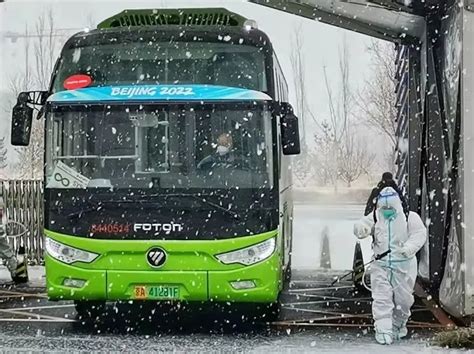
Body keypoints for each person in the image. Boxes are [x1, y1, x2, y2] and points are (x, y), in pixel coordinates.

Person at [354, 186, 427, 345]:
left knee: (403, 300)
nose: (387, 210)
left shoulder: (410, 217)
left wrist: (407, 249)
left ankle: (398, 325)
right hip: (381, 265)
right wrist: (362, 229)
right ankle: (383, 330)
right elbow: (360, 226)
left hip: (404, 266)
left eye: (390, 207)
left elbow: (419, 235)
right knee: (382, 298)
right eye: (384, 207)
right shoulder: (375, 216)